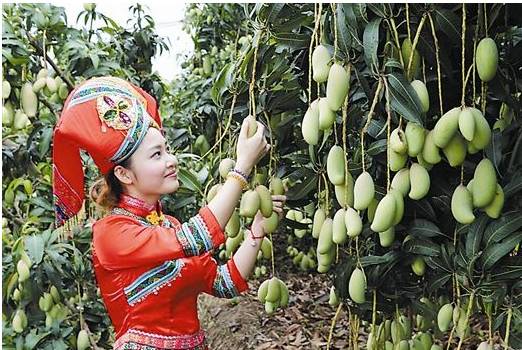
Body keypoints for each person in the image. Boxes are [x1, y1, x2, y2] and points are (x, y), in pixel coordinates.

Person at [52, 76, 287, 349]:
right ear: (124, 174)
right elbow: (197, 236)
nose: (171, 160)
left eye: (167, 150)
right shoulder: (111, 233)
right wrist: (242, 167)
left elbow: (225, 283)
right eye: (156, 155)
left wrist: (257, 230)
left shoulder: (170, 225)